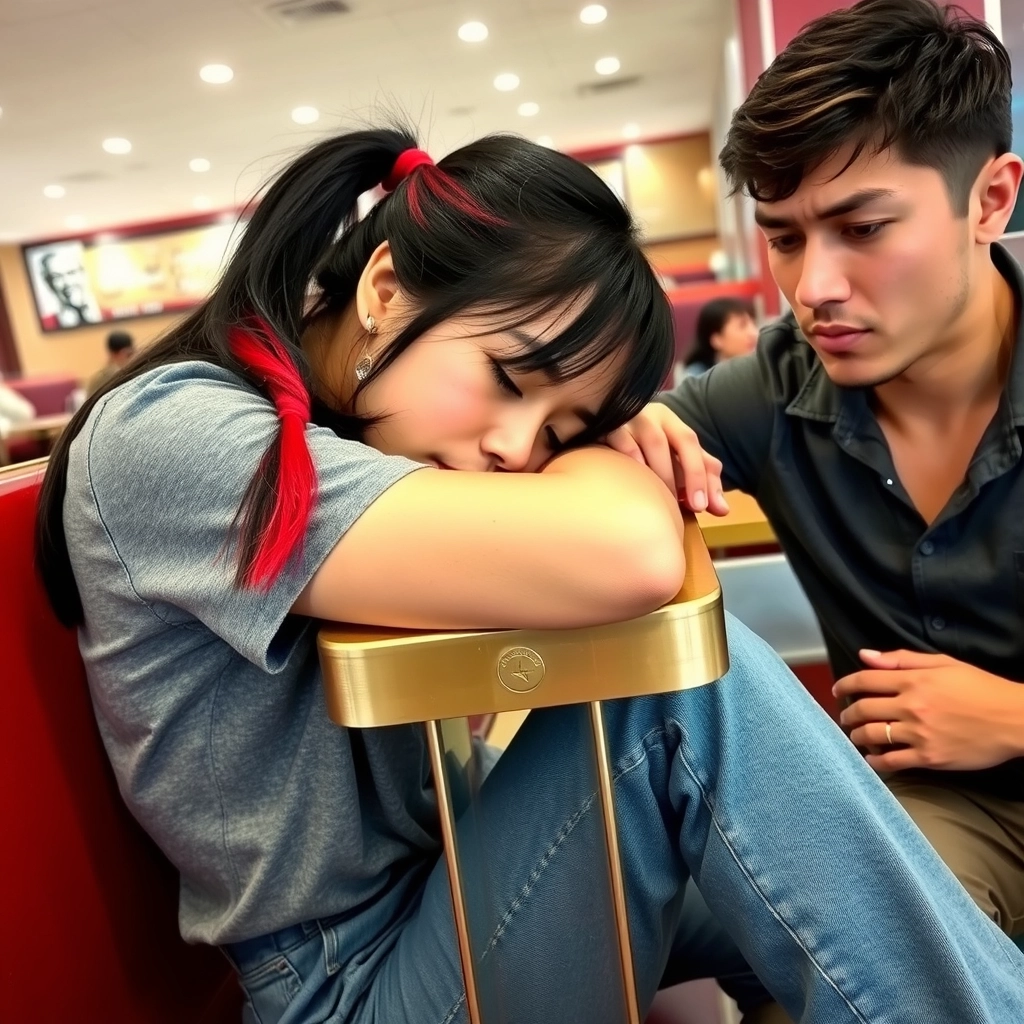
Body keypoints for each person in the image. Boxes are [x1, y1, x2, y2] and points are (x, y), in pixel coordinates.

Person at [34, 127, 1024, 1024]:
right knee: (677, 696)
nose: (516, 448)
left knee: (829, 886)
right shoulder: (179, 434)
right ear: (384, 289)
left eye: (557, 427)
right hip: (346, 987)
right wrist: (597, 444)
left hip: (447, 899)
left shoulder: (333, 433)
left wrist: (594, 432)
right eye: (510, 378)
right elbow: (631, 554)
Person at [616, 0, 1024, 952]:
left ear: (991, 200)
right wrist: (615, 421)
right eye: (787, 237)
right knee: (861, 943)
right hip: (926, 823)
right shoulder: (769, 393)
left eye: (864, 228)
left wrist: (1011, 714)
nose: (814, 289)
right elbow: (619, 450)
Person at [683, 296, 759, 376]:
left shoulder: (765, 368)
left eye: (754, 323)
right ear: (717, 340)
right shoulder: (697, 377)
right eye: (742, 326)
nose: (754, 333)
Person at [35, 244, 102, 329]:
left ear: (84, 273)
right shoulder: (46, 324)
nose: (67, 283)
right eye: (57, 277)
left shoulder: (110, 313)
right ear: (48, 283)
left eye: (71, 273)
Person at [85, 330, 135, 398]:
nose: (132, 358)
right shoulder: (114, 376)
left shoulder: (98, 376)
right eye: (129, 354)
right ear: (122, 352)